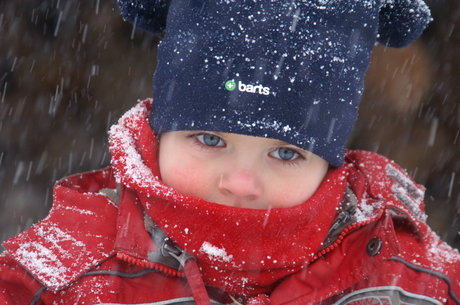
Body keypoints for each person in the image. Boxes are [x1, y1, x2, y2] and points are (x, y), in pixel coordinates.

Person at [1, 0, 459, 304]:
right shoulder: (60, 278)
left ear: (331, 162)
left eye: (285, 154)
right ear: (162, 133)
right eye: (210, 140)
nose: (240, 182)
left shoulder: (410, 280)